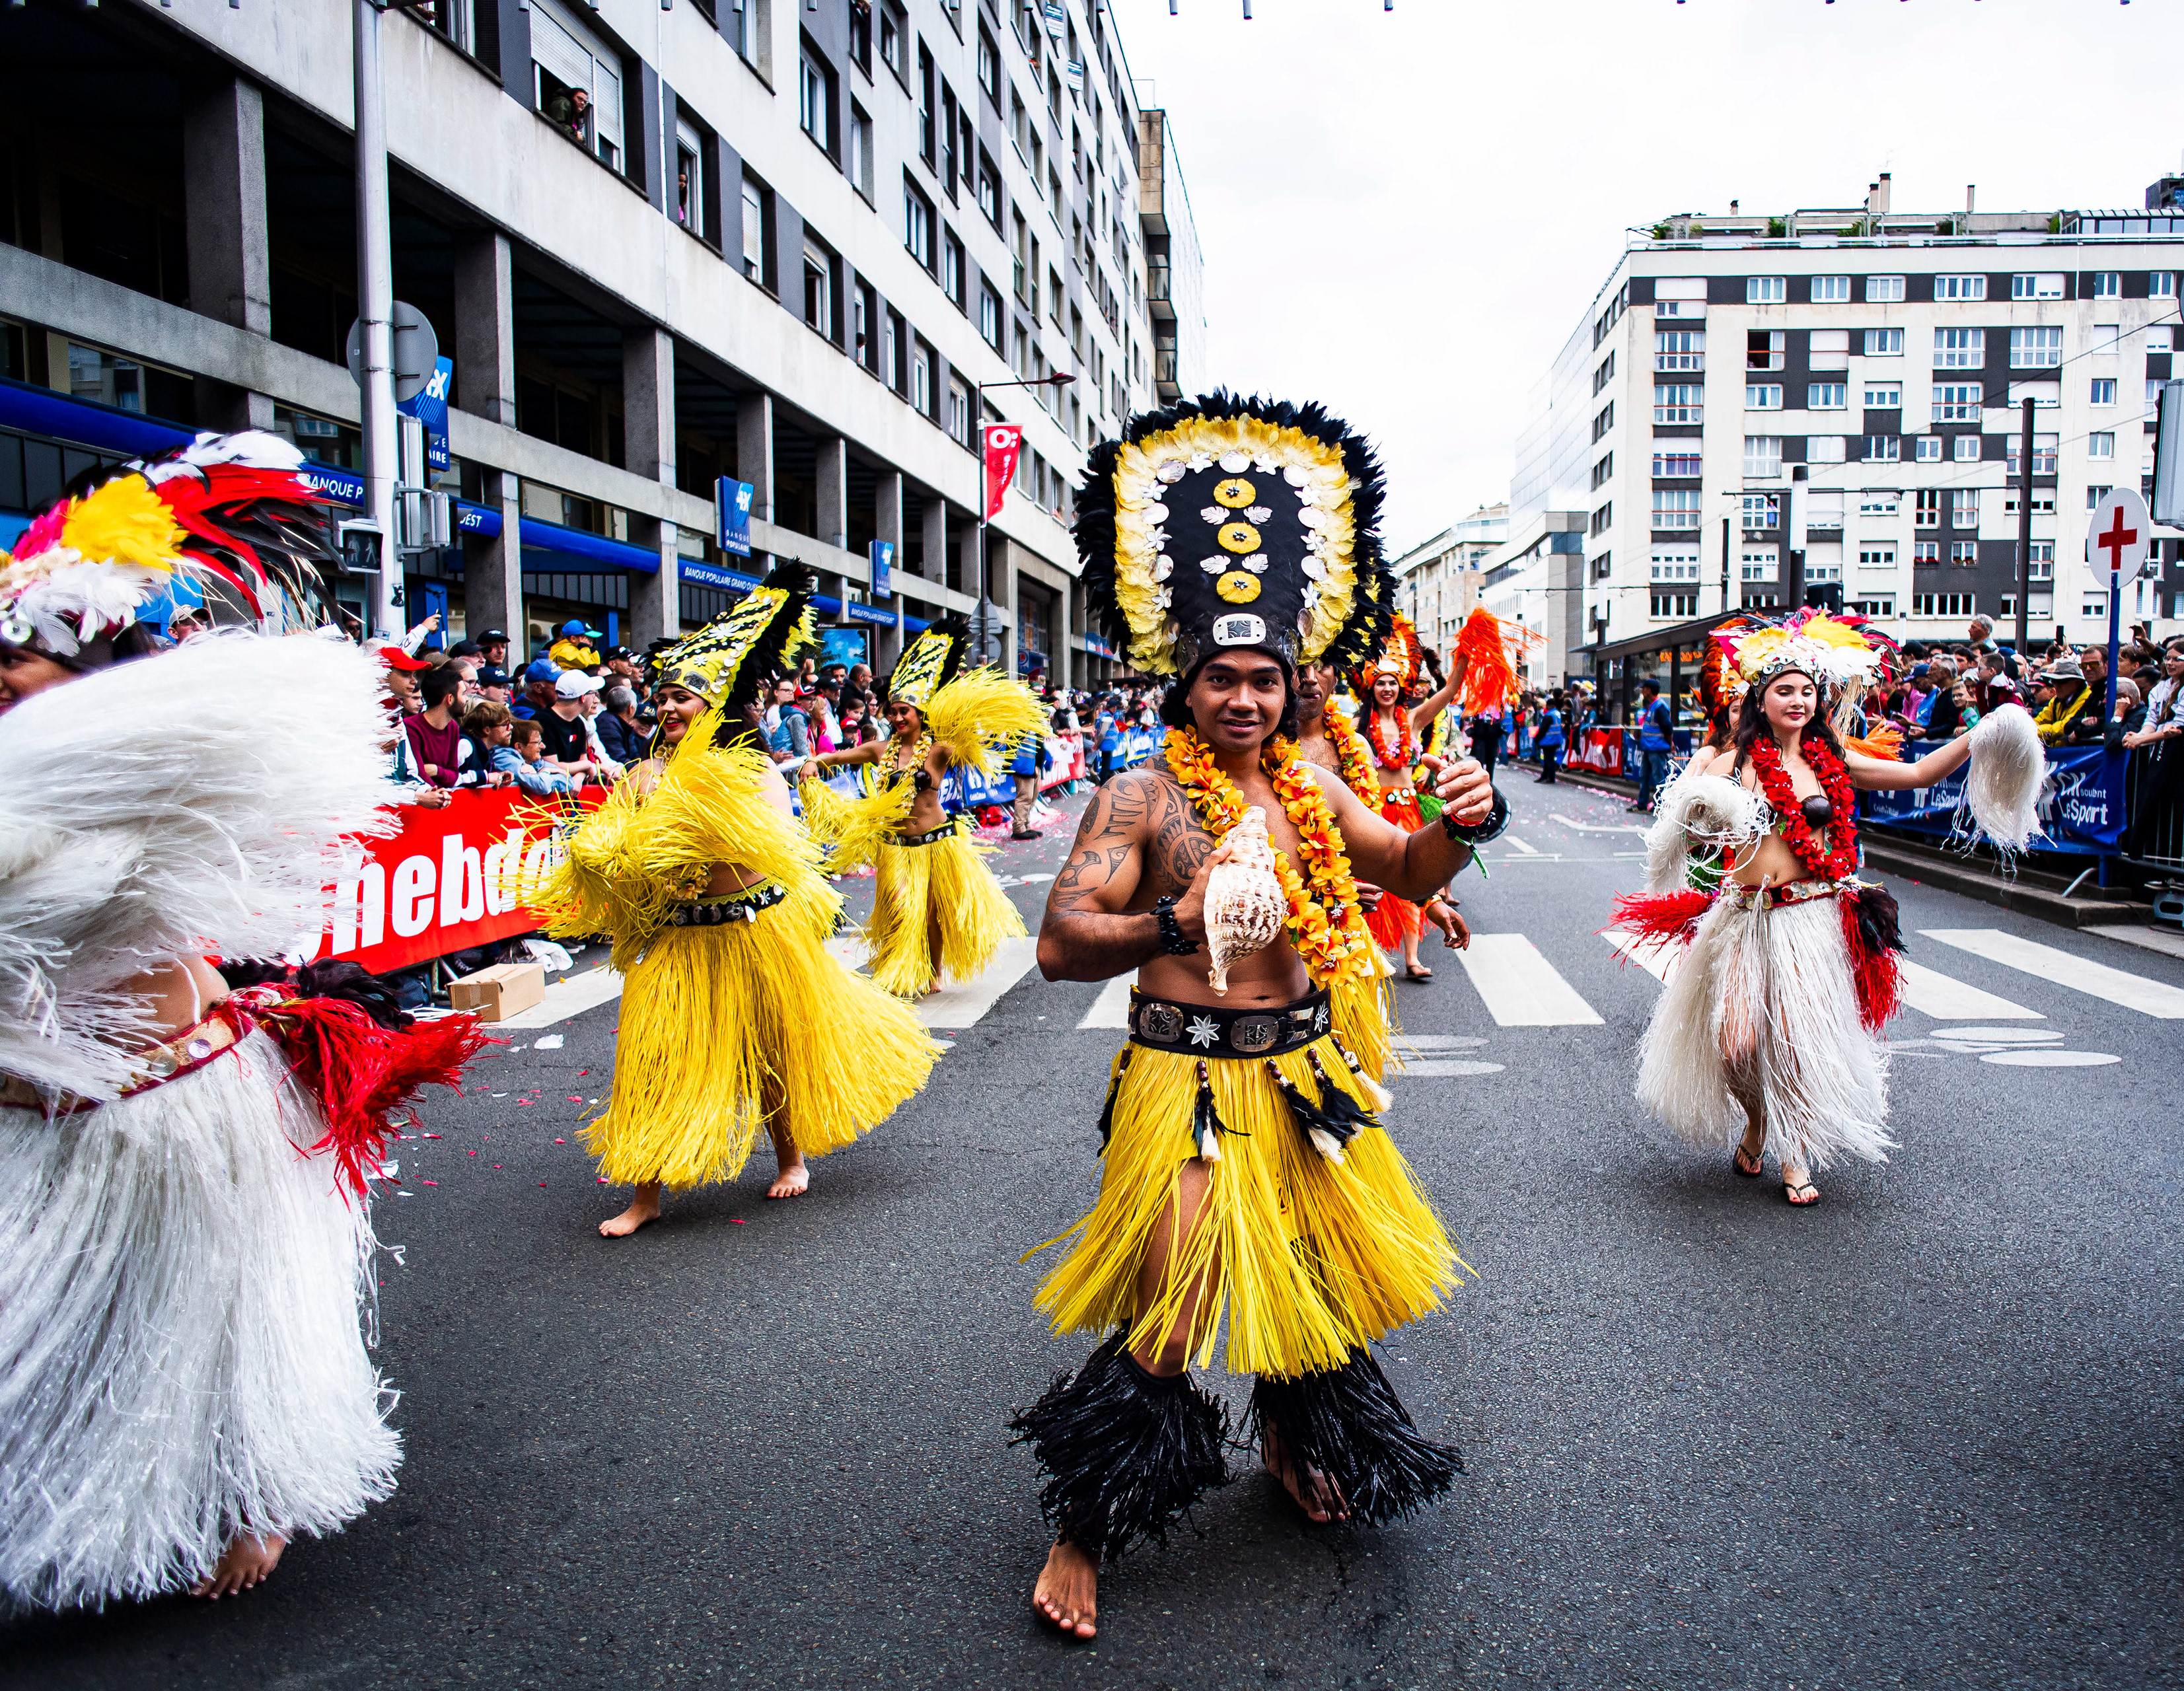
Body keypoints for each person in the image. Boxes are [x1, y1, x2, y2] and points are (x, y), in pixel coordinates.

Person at [1017, 395, 1499, 1641]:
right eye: (1222, 678)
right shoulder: (1138, 800)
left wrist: (1467, 821)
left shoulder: (1317, 782)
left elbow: (1404, 869)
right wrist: (1180, 926)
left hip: (1307, 1077)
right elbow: (1062, 946)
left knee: (1315, 1286)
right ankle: (1082, 1526)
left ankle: (1291, 1436)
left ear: (1290, 690)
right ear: (1188, 687)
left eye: (1263, 679)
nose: (1243, 698)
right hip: (1184, 1079)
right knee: (1172, 1312)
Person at [0, 431, 490, 1608]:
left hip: (157, 1110)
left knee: (205, 1321)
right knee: (73, 1337)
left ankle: (255, 1493)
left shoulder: (132, 785)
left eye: (20, 660)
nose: (4, 672)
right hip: (52, 1113)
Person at [523, 565, 941, 1237]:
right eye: (660, 695)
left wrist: (689, 826)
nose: (665, 706)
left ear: (712, 705)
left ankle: (791, 1155)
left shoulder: (747, 772)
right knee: (653, 1061)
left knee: (770, 1049)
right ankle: (646, 1194)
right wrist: (601, 855)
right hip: (678, 937)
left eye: (682, 696)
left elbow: (774, 839)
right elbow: (606, 837)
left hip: (752, 930)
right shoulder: (644, 773)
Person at [1619, 612, 2045, 1207]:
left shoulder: (1832, 759)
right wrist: (1698, 814)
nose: (1797, 700)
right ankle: (1757, 1121)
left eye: (1806, 691)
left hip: (1809, 919)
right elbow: (1687, 836)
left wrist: (1981, 736)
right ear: (1759, 699)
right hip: (1743, 918)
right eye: (1784, 690)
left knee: (1795, 1042)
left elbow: (1918, 771)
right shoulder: (1730, 764)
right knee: (1736, 1046)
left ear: (1819, 700)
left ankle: (1795, 1153)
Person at [802, 615, 1046, 995]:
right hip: (895, 848)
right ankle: (900, 965)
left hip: (935, 843)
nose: (898, 717)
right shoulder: (879, 750)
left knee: (932, 913)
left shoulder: (940, 751)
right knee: (900, 909)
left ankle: (931, 972)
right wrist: (812, 763)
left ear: (919, 716)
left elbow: (977, 737)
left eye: (905, 712)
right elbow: (837, 757)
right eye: (893, 711)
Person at [1357, 622, 1470, 982]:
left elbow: (1450, 691)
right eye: (1380, 682)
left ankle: (1412, 957)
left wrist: (1467, 652)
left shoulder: (1414, 720)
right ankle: (1369, 954)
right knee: (1369, 887)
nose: (1387, 688)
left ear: (1400, 686)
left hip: (1407, 809)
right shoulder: (1355, 730)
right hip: (1372, 810)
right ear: (1370, 688)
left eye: (1392, 682)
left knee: (1415, 883)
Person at [404, 663, 467, 786]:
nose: (467, 699)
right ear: (450, 699)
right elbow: (418, 773)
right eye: (463, 694)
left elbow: (453, 776)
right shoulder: (411, 728)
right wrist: (437, 791)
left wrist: (436, 770)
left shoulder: (452, 727)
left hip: (440, 798)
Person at [1630, 679, 1675, 813]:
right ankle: (1642, 804)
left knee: (1658, 777)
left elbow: (1667, 728)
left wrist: (1670, 743)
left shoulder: (1659, 707)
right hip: (1648, 748)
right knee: (1644, 775)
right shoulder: (1653, 705)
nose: (1642, 692)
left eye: (1644, 689)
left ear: (1648, 690)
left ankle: (1660, 804)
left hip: (1656, 748)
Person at [2031, 655, 2091, 745]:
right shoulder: (2056, 700)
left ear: (2077, 682)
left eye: (2062, 681)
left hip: (2073, 755)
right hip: (2059, 755)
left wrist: (2032, 731)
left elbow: (2065, 726)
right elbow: (2040, 720)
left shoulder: (2087, 698)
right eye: (2054, 681)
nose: (2057, 685)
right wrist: (2029, 728)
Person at [593, 682, 645, 766]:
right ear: (630, 708)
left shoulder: (621, 723)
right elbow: (620, 760)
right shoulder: (607, 726)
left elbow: (635, 755)